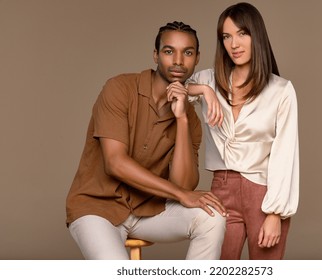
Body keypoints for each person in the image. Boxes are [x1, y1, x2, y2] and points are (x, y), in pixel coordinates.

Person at [65, 21, 226, 260]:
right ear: (156, 55)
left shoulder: (190, 117)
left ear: (197, 58)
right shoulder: (119, 88)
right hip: (96, 208)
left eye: (188, 52)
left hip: (147, 211)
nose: (179, 61)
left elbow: (184, 185)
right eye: (169, 51)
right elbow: (115, 163)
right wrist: (180, 195)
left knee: (212, 216)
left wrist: (181, 119)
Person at [186, 2, 299, 259]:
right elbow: (171, 89)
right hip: (221, 188)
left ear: (256, 35)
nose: (234, 44)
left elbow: (285, 154)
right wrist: (204, 91)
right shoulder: (208, 80)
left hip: (263, 192)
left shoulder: (280, 90)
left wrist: (274, 213)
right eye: (226, 36)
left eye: (242, 33)